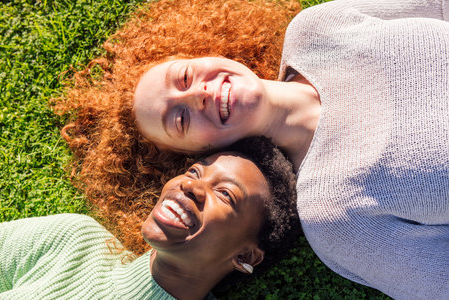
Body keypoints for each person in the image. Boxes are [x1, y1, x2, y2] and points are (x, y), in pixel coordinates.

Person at [59, 0, 449, 298]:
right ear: (198, 152)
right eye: (180, 120)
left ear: (206, 50)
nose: (199, 94)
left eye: (184, 76)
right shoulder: (333, 214)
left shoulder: (316, 29)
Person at [0, 137, 300, 300]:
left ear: (246, 255)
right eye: (194, 171)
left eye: (224, 194)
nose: (191, 185)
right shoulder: (73, 241)